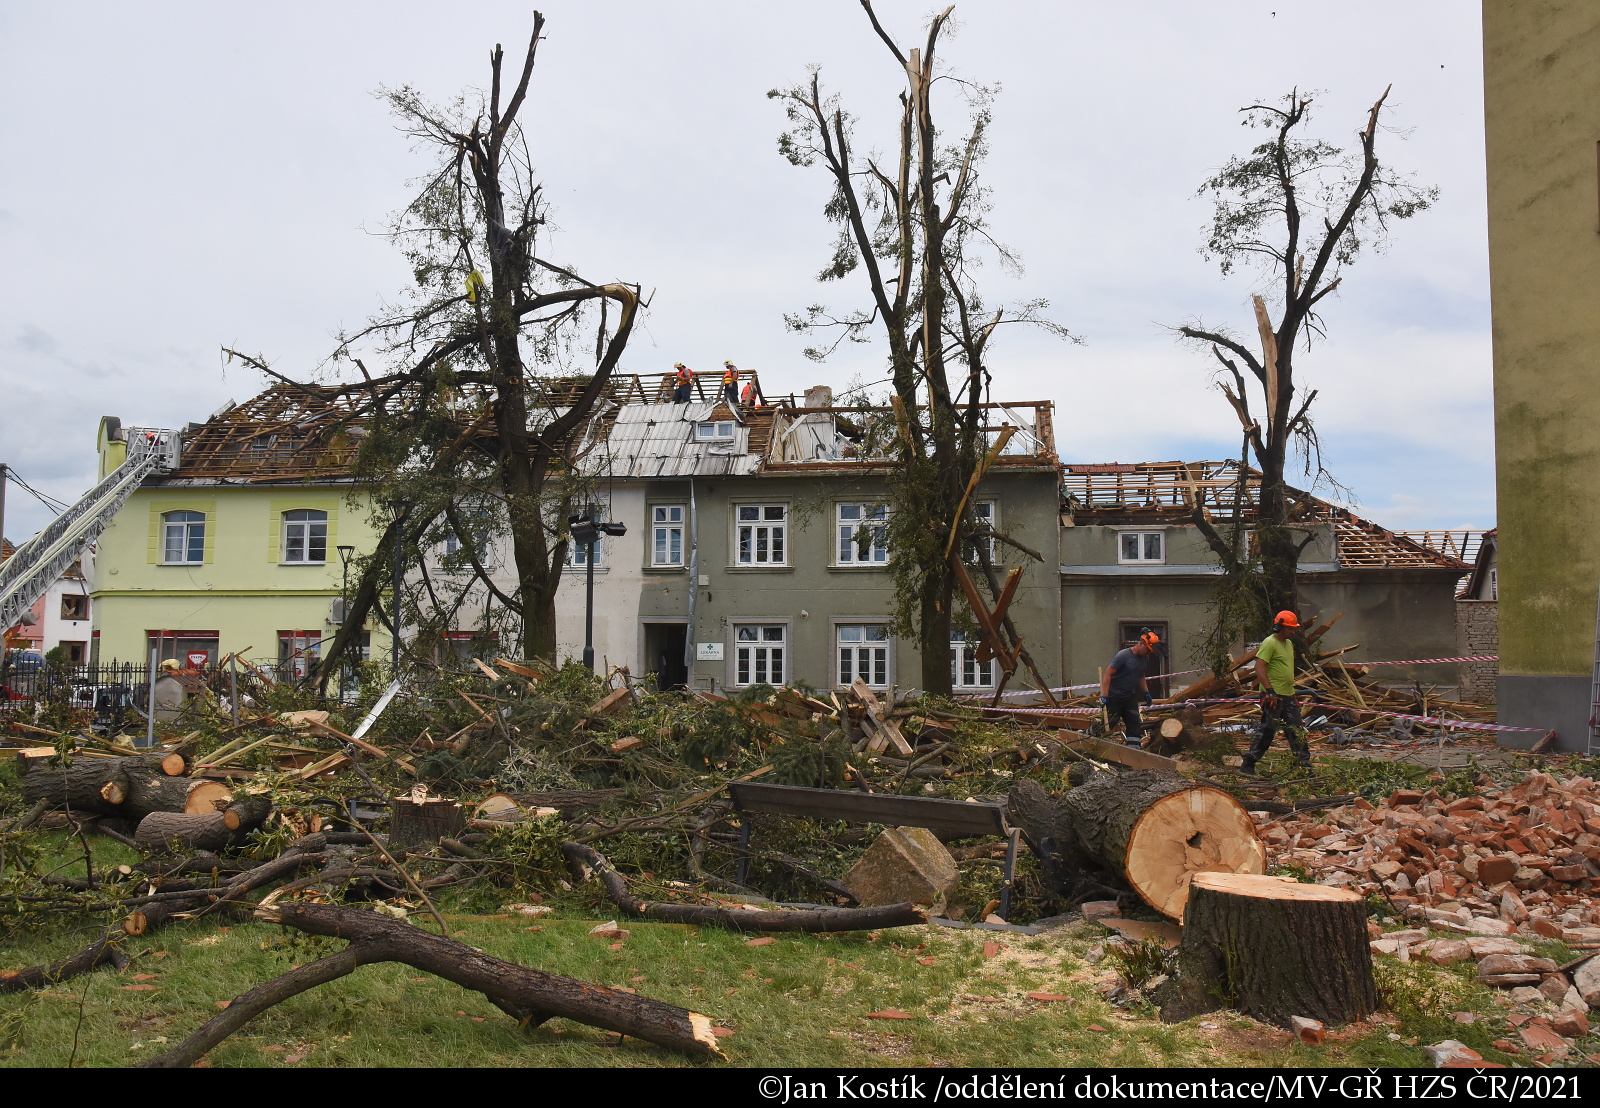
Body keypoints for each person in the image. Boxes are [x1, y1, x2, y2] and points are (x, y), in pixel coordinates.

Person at [1243, 610, 1311, 774]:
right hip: (1273, 696)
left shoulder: (1288, 644)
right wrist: (1269, 691)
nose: (1293, 632)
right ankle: (1249, 763)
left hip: (1288, 694)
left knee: (1297, 731)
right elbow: (1259, 667)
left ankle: (1303, 766)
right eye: (1290, 629)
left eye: (1294, 629)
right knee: (1267, 730)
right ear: (1279, 627)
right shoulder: (1270, 643)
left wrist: (1291, 690)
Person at [1099, 631, 1160, 747]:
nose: (1148, 653)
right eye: (1147, 650)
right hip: (1114, 696)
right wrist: (1105, 696)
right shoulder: (1123, 656)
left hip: (1129, 696)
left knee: (1134, 723)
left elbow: (1141, 675)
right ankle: (1088, 737)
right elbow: (1108, 674)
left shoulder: (1145, 659)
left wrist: (1146, 692)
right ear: (1141, 644)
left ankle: (1134, 748)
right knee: (1109, 724)